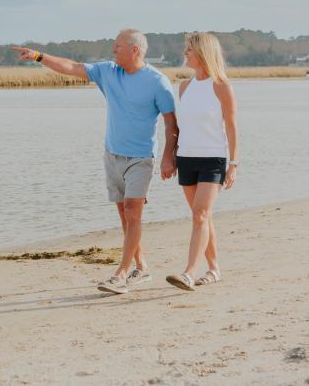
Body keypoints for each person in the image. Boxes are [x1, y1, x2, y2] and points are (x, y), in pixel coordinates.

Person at [12, 29, 178, 294]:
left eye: (118, 46)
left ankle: (121, 274)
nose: (113, 50)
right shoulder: (108, 72)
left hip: (141, 158)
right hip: (112, 155)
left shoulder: (158, 82)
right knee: (125, 215)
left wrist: (170, 156)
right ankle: (141, 266)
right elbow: (72, 67)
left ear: (135, 50)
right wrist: (39, 56)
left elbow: (171, 123)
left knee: (134, 212)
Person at [165, 32, 238, 291]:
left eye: (189, 49)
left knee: (201, 214)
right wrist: (170, 157)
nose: (185, 53)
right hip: (186, 158)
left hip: (213, 159)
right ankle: (215, 269)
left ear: (203, 53)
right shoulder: (185, 87)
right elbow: (179, 128)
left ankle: (188, 272)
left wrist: (234, 163)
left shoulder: (221, 86)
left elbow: (231, 126)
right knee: (202, 218)